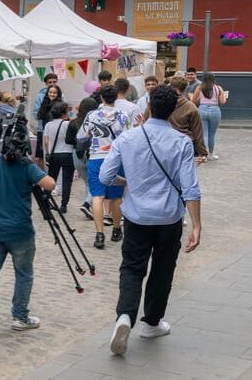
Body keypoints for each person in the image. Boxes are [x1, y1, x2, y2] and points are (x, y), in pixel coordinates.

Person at [101, 85, 202, 356]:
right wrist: (197, 225)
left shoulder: (128, 138)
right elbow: (190, 187)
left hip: (136, 215)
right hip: (169, 217)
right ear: (172, 111)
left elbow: (104, 176)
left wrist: (128, 182)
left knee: (132, 268)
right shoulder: (181, 142)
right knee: (162, 269)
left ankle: (124, 317)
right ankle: (151, 322)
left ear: (149, 107)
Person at [0, 119, 56, 340]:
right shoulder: (24, 164)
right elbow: (50, 184)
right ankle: (20, 317)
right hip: (19, 230)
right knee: (23, 274)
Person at [78, 85, 130, 249]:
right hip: (116, 158)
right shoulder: (123, 115)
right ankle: (116, 230)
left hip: (96, 157)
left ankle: (99, 234)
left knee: (97, 196)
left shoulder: (92, 115)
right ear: (116, 98)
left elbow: (81, 136)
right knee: (116, 197)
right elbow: (129, 137)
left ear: (101, 98)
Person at [160, 76, 209, 161]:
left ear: (170, 86)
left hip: (164, 142)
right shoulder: (191, 107)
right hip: (185, 144)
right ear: (185, 88)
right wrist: (202, 152)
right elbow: (197, 131)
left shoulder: (160, 103)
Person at [70, 98, 101, 220]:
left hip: (77, 154)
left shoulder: (73, 123)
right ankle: (87, 204)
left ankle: (91, 205)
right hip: (92, 154)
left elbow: (68, 140)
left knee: (88, 182)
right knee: (94, 181)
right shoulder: (97, 121)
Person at [43, 102, 76, 213]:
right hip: (68, 154)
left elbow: (46, 142)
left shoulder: (48, 125)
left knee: (51, 178)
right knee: (67, 180)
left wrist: (48, 153)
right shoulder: (68, 124)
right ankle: (64, 205)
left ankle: (46, 200)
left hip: (54, 154)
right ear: (64, 113)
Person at [190, 72, 227, 160]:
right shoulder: (218, 88)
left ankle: (203, 155)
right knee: (212, 134)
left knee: (204, 134)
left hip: (202, 110)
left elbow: (193, 101)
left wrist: (199, 99)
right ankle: (211, 154)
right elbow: (222, 101)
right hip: (215, 110)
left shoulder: (199, 87)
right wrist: (224, 96)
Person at [34, 85, 64, 167]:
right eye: (50, 92)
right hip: (45, 133)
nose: (52, 94)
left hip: (56, 134)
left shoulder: (60, 105)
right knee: (43, 156)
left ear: (58, 94)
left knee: (53, 157)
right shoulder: (45, 102)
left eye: (54, 93)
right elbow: (38, 116)